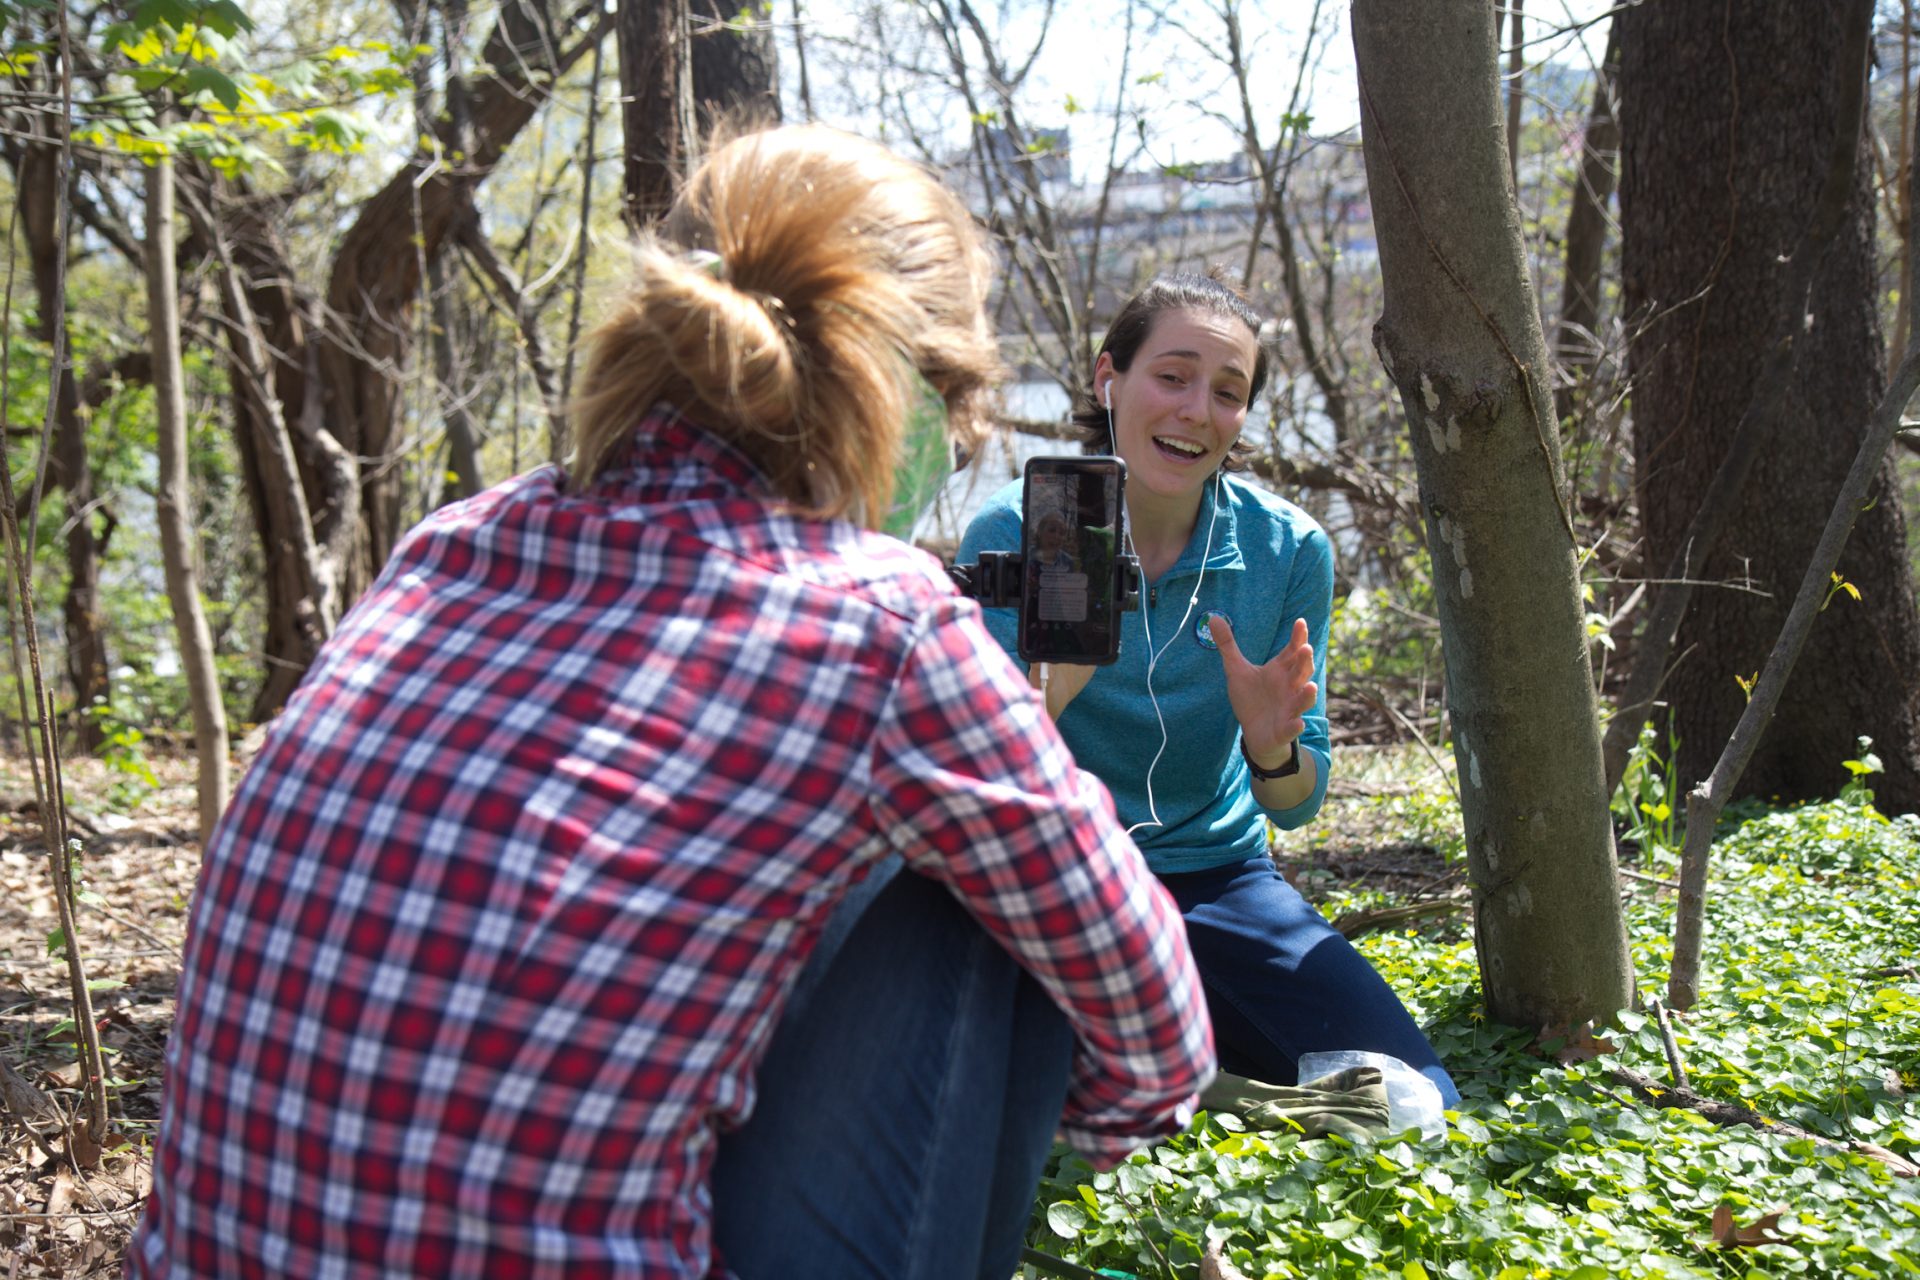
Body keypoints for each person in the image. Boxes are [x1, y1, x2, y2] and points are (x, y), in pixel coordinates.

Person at [127, 127, 1213, 1280]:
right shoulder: (883, 622)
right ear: (908, 386)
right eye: (957, 402)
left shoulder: (453, 542)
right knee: (1003, 892)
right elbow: (1156, 1032)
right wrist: (1045, 1125)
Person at [958, 271, 1458, 1107]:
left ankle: (1181, 1063)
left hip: (1217, 878)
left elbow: (1296, 805)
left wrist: (1271, 746)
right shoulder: (1019, 532)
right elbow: (975, 779)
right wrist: (1051, 688)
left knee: (1415, 1096)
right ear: (1108, 378)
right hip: (1059, 876)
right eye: (1172, 375)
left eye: (1228, 392)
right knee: (1008, 1082)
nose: (1197, 410)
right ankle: (1158, 1061)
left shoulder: (1287, 550)